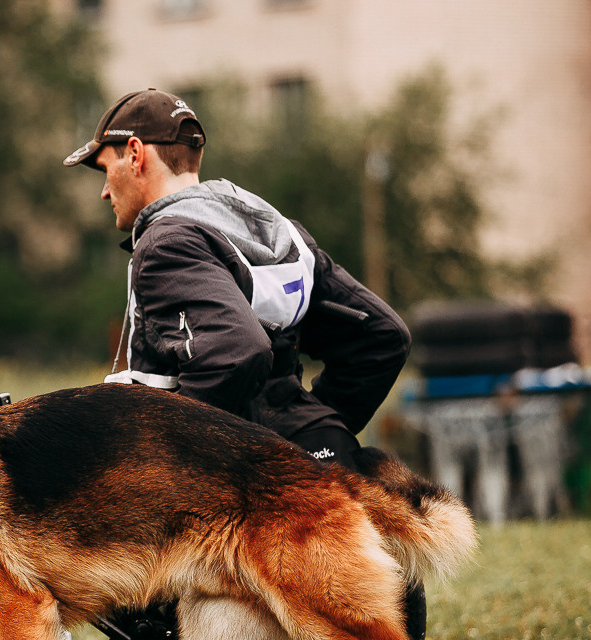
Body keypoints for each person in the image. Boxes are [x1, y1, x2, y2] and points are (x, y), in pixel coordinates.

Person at [63, 89, 411, 472]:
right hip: (327, 457)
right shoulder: (281, 232)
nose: (104, 191)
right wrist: (312, 427)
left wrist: (175, 465)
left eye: (104, 169)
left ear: (134, 154)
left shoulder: (166, 243)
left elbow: (237, 352)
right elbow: (383, 336)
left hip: (252, 487)